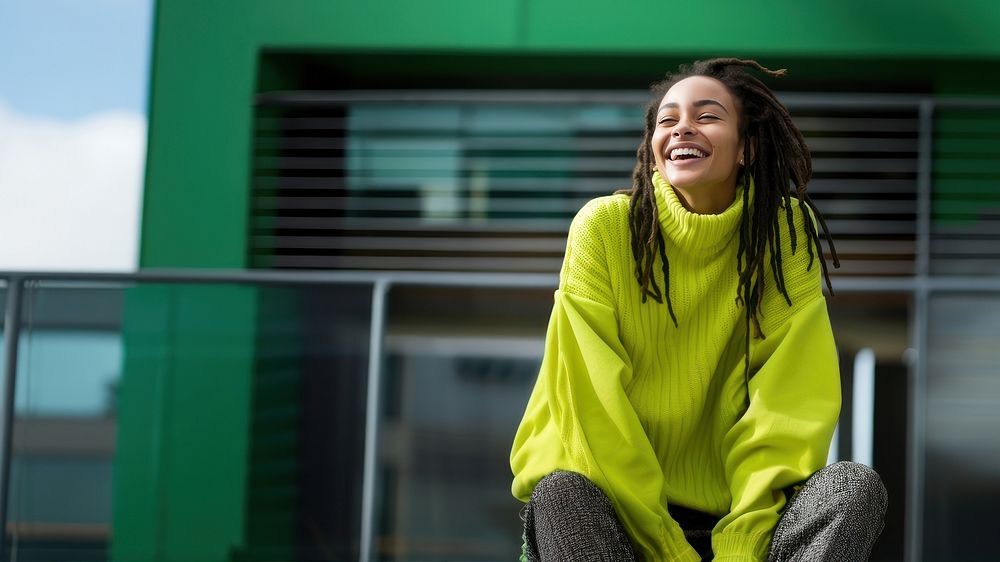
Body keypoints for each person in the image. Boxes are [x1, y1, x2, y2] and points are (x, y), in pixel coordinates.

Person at [509, 58, 887, 562]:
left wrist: (740, 546)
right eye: (667, 119)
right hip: (614, 511)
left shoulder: (783, 235)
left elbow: (788, 409)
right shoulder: (603, 228)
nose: (682, 126)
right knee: (561, 494)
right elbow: (591, 410)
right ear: (653, 149)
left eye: (707, 115)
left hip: (738, 520)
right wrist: (668, 548)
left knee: (853, 488)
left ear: (747, 147)